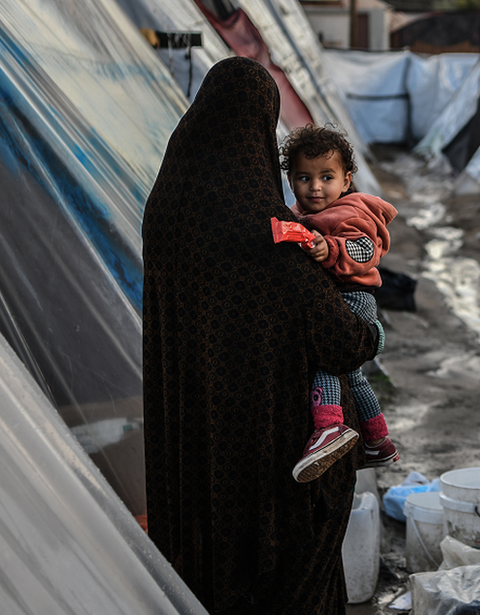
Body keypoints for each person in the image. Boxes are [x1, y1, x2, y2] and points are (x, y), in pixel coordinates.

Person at [142, 57, 381, 613]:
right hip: (271, 464)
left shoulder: (166, 213)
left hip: (191, 449)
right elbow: (343, 340)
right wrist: (370, 329)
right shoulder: (266, 230)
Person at [281, 124, 401, 482]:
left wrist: (329, 248)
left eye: (326, 177)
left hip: (353, 297)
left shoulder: (350, 212)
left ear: (346, 180)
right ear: (290, 180)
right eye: (304, 177)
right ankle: (378, 440)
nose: (315, 187)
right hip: (340, 299)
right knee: (352, 372)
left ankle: (329, 426)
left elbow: (365, 251)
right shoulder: (297, 214)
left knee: (325, 355)